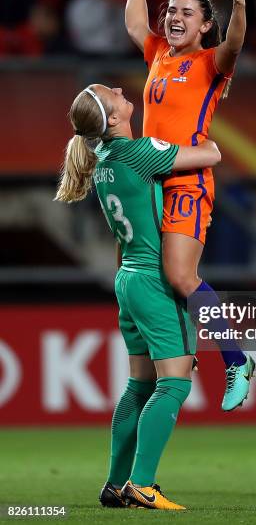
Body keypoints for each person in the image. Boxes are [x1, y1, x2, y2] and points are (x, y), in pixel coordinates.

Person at [55, 84, 221, 510]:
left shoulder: (104, 159)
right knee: (175, 384)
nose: (118, 88)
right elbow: (211, 155)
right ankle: (142, 484)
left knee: (139, 385)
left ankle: (114, 484)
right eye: (111, 94)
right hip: (152, 280)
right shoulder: (137, 151)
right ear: (112, 119)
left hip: (127, 278)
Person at [124, 0, 254, 412]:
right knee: (152, 277)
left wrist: (238, 3)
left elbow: (235, 43)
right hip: (148, 184)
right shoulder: (158, 52)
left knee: (181, 276)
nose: (173, 17)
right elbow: (136, 25)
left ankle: (237, 360)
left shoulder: (209, 64)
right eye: (170, 10)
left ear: (204, 25)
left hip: (187, 182)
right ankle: (183, 345)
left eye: (185, 12)